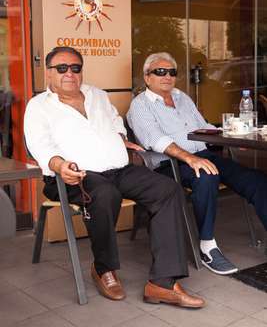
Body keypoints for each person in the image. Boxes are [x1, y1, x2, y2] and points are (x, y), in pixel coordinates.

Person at [24, 46, 205, 308]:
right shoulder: (38, 106)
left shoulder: (96, 94)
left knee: (168, 190)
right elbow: (41, 145)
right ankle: (103, 268)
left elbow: (115, 121)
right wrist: (59, 165)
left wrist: (122, 139)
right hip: (74, 175)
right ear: (48, 73)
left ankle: (162, 283)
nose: (70, 73)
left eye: (75, 68)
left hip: (119, 169)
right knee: (104, 194)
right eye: (62, 68)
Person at [127, 52, 267, 275]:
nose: (167, 76)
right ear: (147, 77)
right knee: (206, 176)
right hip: (169, 164)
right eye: (159, 72)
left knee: (257, 180)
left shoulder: (182, 97)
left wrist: (232, 136)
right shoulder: (140, 105)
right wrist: (191, 159)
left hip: (202, 156)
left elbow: (204, 129)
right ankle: (207, 245)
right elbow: (155, 140)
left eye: (171, 72)